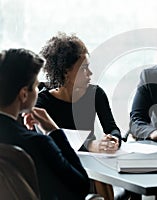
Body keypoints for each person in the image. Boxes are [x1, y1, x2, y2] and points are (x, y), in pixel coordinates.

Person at [36, 32, 123, 200]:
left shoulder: (96, 94)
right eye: (84, 68)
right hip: (61, 170)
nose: (90, 73)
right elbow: (51, 140)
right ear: (66, 72)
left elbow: (112, 127)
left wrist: (113, 139)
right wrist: (91, 145)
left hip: (95, 167)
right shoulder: (42, 103)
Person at [0, 48, 90, 199]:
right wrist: (54, 131)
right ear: (23, 94)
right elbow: (81, 186)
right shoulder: (37, 143)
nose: (38, 90)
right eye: (36, 86)